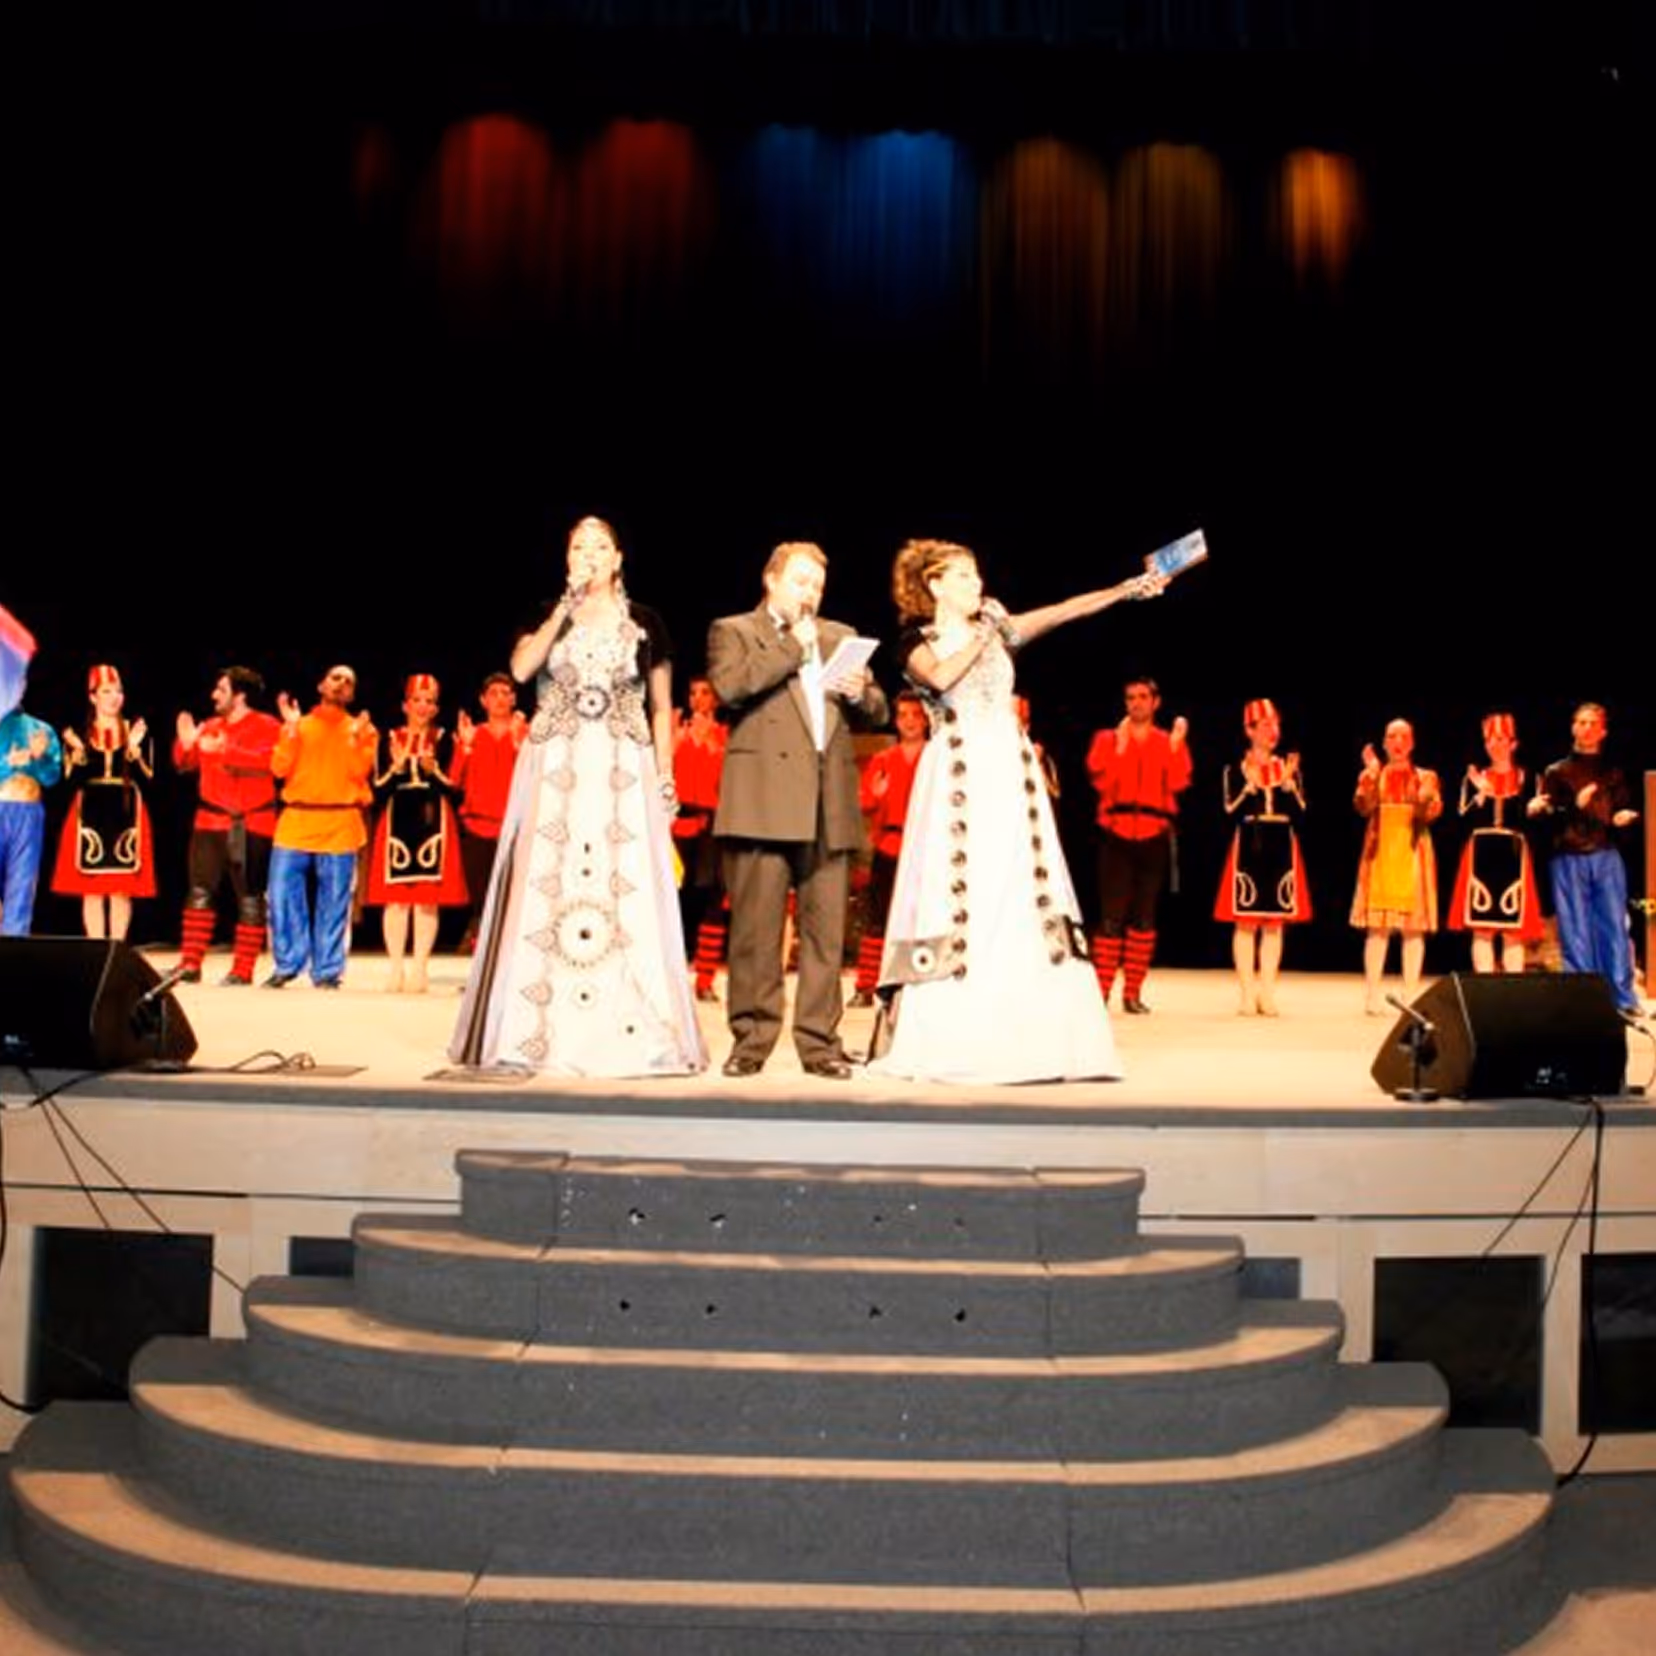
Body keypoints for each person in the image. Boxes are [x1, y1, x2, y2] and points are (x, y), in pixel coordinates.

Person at [868, 539, 1159, 1085]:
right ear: (934, 585)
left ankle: (1035, 1031)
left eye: (977, 574)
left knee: (1019, 889)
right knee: (964, 892)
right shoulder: (916, 640)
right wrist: (985, 633)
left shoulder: (998, 630)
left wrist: (1126, 591)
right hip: (957, 772)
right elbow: (942, 677)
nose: (977, 584)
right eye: (963, 576)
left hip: (1007, 766)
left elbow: (1065, 610)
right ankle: (956, 1027)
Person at [450, 516, 706, 1075]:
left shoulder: (646, 623)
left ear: (618, 560)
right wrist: (562, 609)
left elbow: (662, 708)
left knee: (627, 885)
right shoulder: (549, 614)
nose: (589, 553)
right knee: (550, 885)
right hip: (559, 766)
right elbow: (520, 670)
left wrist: (665, 774)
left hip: (622, 766)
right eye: (577, 546)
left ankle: (636, 1029)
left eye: (600, 546)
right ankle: (533, 1034)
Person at [707, 540, 888, 1079]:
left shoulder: (840, 637)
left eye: (817, 585)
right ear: (772, 581)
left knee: (825, 934)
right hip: (761, 801)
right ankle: (751, 1039)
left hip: (826, 805)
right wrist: (791, 646)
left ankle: (820, 1041)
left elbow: (876, 711)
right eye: (800, 581)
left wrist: (860, 694)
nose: (809, 593)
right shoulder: (735, 631)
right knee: (756, 934)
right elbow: (730, 688)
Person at [266, 665, 377, 989]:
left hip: (340, 821)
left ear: (352, 693)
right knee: (281, 894)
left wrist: (357, 740)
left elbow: (359, 773)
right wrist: (288, 731)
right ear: (321, 685)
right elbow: (278, 767)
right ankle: (288, 963)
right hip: (296, 820)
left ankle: (327, 970)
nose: (341, 683)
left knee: (334, 900)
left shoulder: (363, 729)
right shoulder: (299, 726)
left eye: (348, 681)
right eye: (336, 677)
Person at [1527, 702, 1641, 1013]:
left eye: (1592, 723)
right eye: (1580, 722)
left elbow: (1618, 809)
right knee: (1574, 928)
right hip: (1568, 855)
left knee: (1614, 926)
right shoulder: (1557, 772)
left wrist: (1622, 818)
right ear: (1572, 727)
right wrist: (1568, 806)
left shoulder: (1612, 772)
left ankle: (1622, 997)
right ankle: (1582, 999)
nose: (1585, 728)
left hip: (1605, 854)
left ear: (1603, 731)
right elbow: (1547, 817)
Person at [1086, 678, 1192, 1013]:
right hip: (1116, 833)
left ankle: (1132, 993)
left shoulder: (1167, 741)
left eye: (1143, 697)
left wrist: (1176, 746)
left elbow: (1177, 782)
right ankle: (1100, 994)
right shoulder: (1107, 738)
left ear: (1155, 702)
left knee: (1144, 919)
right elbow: (1101, 780)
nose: (1136, 703)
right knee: (1111, 920)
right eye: (1130, 697)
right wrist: (1118, 749)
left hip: (1153, 835)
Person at [174, 666, 283, 984]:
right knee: (198, 893)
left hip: (252, 823)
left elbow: (272, 763)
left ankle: (242, 969)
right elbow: (184, 763)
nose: (214, 695)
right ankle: (190, 964)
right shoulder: (209, 725)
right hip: (209, 821)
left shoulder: (267, 725)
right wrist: (186, 744)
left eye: (221, 690)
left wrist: (226, 750)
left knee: (250, 897)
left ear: (240, 695)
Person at [365, 674, 469, 993]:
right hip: (396, 819)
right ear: (405, 704)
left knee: (427, 899)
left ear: (436, 708)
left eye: (429, 701)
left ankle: (420, 968)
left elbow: (456, 791)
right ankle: (396, 968)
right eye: (417, 700)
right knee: (395, 900)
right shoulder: (387, 738)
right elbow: (377, 791)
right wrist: (397, 769)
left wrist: (432, 771)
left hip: (433, 820)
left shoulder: (445, 740)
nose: (423, 707)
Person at [1214, 698, 1310, 1016]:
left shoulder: (1288, 767)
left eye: (1276, 724)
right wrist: (1250, 787)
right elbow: (1228, 811)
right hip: (1249, 845)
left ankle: (1267, 993)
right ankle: (1246, 993)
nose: (1273, 731)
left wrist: (1288, 785)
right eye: (1266, 725)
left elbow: (1303, 813)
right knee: (1245, 922)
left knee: (1274, 925)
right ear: (1249, 729)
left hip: (1281, 843)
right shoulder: (1234, 767)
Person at [50, 665, 157, 940]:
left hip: (126, 811)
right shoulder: (79, 734)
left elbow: (151, 779)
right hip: (89, 813)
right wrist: (78, 752)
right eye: (106, 691)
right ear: (93, 697)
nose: (114, 697)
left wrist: (133, 748)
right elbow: (66, 782)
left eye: (118, 691)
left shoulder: (137, 729)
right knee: (92, 888)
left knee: (122, 889)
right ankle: (97, 949)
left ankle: (116, 950)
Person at [1351, 718, 1441, 1014]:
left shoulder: (1427, 776)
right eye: (1392, 736)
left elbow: (1430, 814)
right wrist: (1372, 775)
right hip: (1380, 852)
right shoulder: (1373, 774)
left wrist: (1423, 799)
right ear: (1384, 742)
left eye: (1404, 736)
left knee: (1413, 930)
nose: (1398, 742)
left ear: (1412, 742)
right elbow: (1363, 807)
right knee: (1377, 928)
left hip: (1412, 852)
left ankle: (1410, 995)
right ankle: (1372, 994)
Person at [1448, 712, 1544, 976]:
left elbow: (1534, 824)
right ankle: (1484, 987)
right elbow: (1459, 823)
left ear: (1513, 743)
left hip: (1514, 856)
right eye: (1490, 739)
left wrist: (1534, 810)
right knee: (1481, 927)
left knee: (1513, 929)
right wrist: (1481, 794)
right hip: (1480, 856)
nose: (1495, 744)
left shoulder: (1530, 779)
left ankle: (1511, 992)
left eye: (1501, 739)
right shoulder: (1473, 778)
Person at [851, 689, 929, 1009]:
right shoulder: (884, 759)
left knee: (920, 917)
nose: (909, 721)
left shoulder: (934, 758)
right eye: (903, 715)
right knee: (877, 919)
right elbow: (864, 802)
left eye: (915, 715)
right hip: (889, 846)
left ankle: (915, 982)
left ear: (925, 720)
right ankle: (866, 986)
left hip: (923, 849)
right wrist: (876, 794)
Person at [451, 673, 526, 954]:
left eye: (506, 693)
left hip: (514, 829)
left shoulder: (526, 734)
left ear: (514, 699)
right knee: (482, 902)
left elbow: (535, 780)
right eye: (493, 693)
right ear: (483, 700)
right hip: (476, 827)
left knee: (512, 900)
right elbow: (455, 780)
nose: (500, 698)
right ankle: (482, 963)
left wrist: (520, 746)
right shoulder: (474, 734)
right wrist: (466, 747)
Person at [0, 610, 63, 938]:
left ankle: (12, 951)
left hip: (28, 813)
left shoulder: (40, 729)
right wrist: (12, 763)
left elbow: (52, 776)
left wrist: (36, 760)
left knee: (23, 885)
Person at [671, 675, 728, 1003]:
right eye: (693, 693)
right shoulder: (676, 733)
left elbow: (730, 787)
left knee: (711, 904)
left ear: (716, 700)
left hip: (710, 827)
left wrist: (712, 748)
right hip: (677, 825)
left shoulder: (724, 738)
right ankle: (672, 976)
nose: (698, 699)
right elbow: (659, 776)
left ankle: (705, 979)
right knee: (675, 903)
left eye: (705, 693)